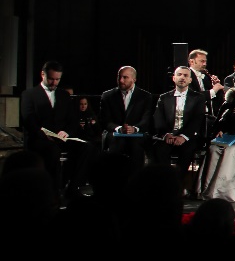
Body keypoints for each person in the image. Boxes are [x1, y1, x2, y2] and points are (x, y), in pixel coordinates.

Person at [19, 60, 86, 200]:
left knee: (88, 148)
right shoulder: (29, 94)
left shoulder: (64, 95)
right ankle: (53, 193)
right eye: (51, 79)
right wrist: (43, 134)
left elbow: (73, 120)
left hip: (61, 137)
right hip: (40, 139)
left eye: (57, 79)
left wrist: (66, 132)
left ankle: (72, 187)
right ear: (42, 74)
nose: (54, 83)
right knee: (52, 151)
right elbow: (28, 120)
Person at [151, 65, 208, 196]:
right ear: (174, 78)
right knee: (160, 150)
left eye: (185, 75)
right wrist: (166, 134)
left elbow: (197, 119)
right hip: (168, 135)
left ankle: (178, 185)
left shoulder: (198, 98)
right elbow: (158, 118)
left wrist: (183, 136)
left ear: (190, 80)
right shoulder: (164, 97)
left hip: (188, 137)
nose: (182, 78)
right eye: (180, 75)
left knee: (187, 150)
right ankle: (166, 184)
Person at [98, 65, 154, 166]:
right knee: (116, 144)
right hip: (115, 134)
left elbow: (146, 119)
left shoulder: (145, 96)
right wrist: (119, 128)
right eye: (119, 77)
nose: (121, 80)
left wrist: (134, 129)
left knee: (136, 146)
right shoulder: (107, 96)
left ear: (134, 79)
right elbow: (105, 120)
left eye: (125, 77)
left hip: (137, 134)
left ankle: (135, 178)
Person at [186, 48, 225, 116]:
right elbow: (193, 97)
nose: (205, 64)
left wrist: (216, 85)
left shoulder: (205, 77)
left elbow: (215, 100)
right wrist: (213, 90)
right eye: (202, 61)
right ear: (191, 62)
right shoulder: (186, 75)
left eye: (205, 61)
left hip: (208, 115)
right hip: (194, 116)